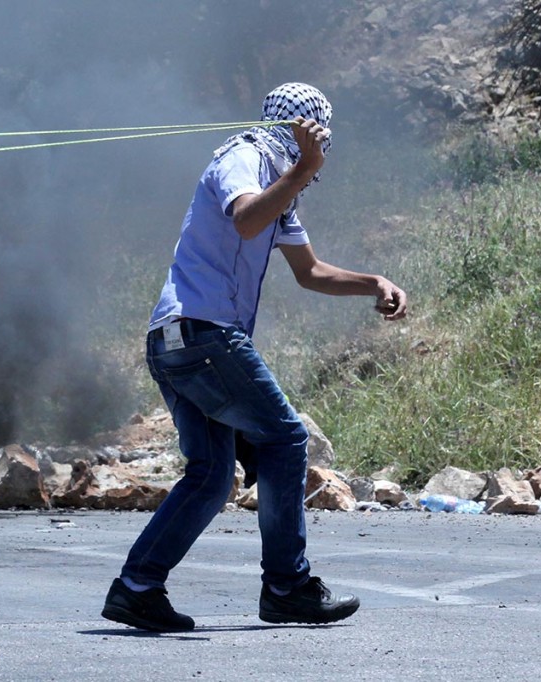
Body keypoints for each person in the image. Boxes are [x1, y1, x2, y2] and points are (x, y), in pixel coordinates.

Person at [101, 82, 408, 632]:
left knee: (213, 475)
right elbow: (245, 218)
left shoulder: (280, 185)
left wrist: (374, 282)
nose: (319, 162)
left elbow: (310, 271)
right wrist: (299, 169)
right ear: (303, 135)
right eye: (316, 147)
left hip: (178, 340)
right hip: (203, 335)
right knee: (287, 438)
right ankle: (288, 586)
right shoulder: (244, 156)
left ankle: (137, 588)